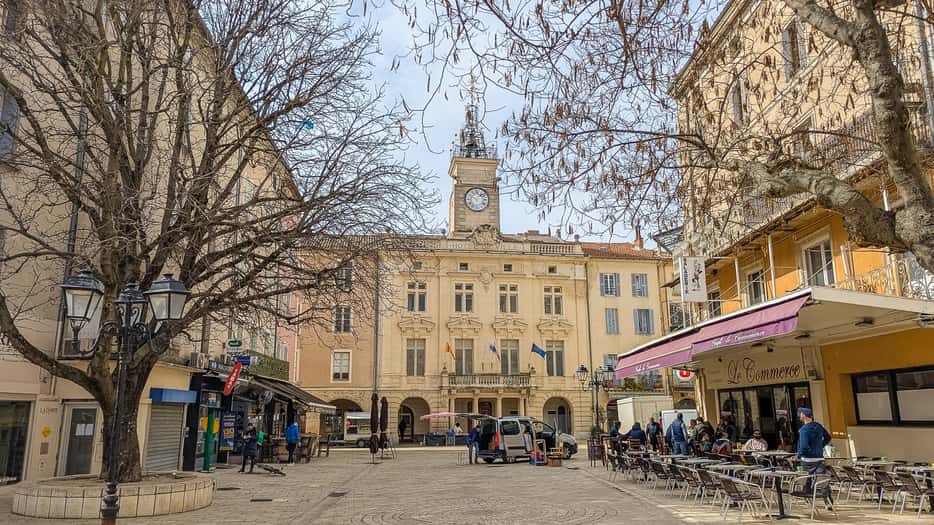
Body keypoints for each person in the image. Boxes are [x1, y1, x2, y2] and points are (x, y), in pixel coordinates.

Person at [797, 407, 833, 508]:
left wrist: (801, 454)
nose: (799, 415)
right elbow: (828, 437)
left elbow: (803, 446)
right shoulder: (819, 426)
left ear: (804, 415)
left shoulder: (804, 430)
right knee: (822, 480)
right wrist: (819, 446)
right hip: (819, 458)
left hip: (807, 460)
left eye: (800, 413)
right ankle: (828, 501)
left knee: (806, 480)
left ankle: (808, 499)